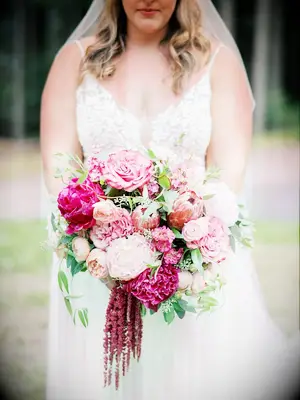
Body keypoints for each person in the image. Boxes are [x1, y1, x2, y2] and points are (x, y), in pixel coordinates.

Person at [40, 1, 299, 399]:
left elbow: (227, 176)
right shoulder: (74, 62)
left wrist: (174, 241)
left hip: (190, 266)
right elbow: (60, 172)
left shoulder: (218, 63)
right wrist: (105, 243)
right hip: (96, 265)